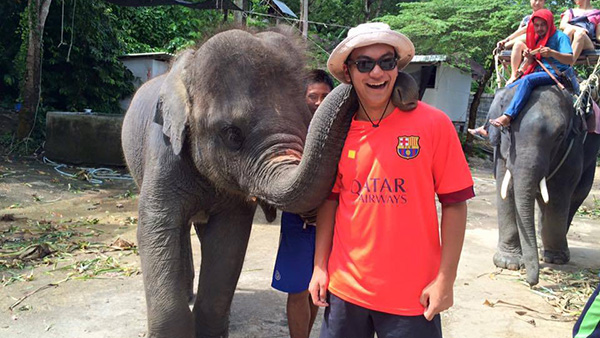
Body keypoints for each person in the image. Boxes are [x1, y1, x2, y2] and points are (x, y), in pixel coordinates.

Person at [308, 22, 474, 338]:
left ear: (396, 68)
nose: (376, 73)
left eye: (386, 62)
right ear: (348, 72)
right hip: (345, 290)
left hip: (411, 298)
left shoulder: (433, 124)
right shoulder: (336, 131)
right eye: (365, 64)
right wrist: (320, 267)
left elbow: (454, 203)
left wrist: (445, 279)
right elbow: (331, 199)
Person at [271, 69, 334, 338]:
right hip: (299, 221)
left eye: (325, 96)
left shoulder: (340, 127)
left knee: (318, 287)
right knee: (297, 289)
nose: (319, 102)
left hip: (330, 221)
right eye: (312, 96)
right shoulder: (289, 130)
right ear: (301, 99)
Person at [490, 9, 578, 128]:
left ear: (550, 24)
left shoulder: (560, 37)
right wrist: (528, 56)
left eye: (543, 25)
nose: (539, 28)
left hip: (554, 73)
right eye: (536, 25)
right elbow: (534, 60)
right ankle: (487, 127)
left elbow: (570, 59)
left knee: (528, 80)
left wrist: (552, 53)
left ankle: (508, 116)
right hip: (538, 72)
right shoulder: (538, 38)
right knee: (507, 88)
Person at [497, 0, 546, 84]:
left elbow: (526, 29)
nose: (537, 3)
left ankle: (507, 44)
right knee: (517, 44)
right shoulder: (526, 19)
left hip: (539, 45)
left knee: (524, 36)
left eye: (540, 0)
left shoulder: (545, 15)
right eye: (535, 0)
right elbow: (519, 31)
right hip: (526, 47)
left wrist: (507, 40)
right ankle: (514, 74)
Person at [560, 0, 600, 64]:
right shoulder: (570, 12)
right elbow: (562, 25)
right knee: (569, 30)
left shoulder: (597, 14)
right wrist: (578, 29)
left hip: (587, 43)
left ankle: (567, 67)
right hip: (571, 39)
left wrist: (580, 31)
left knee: (579, 34)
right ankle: (563, 58)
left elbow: (598, 36)